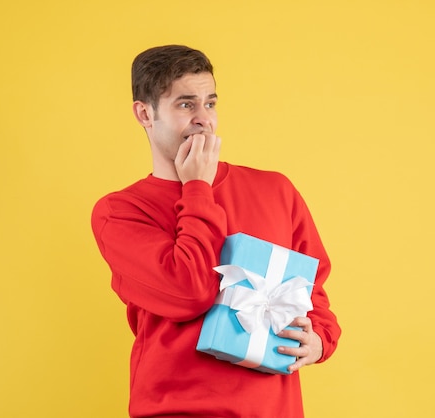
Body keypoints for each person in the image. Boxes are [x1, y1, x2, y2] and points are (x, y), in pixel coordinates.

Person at [91, 45, 341, 418]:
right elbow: (189, 292)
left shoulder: (275, 190)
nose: (203, 119)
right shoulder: (120, 212)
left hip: (274, 408)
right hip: (177, 409)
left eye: (210, 103)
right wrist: (197, 189)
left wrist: (320, 338)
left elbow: (312, 286)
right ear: (145, 114)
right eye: (185, 104)